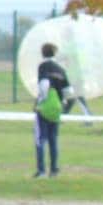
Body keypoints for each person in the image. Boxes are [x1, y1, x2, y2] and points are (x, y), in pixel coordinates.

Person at [35, 42, 68, 176]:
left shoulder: (43, 67)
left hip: (45, 107)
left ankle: (41, 170)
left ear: (43, 53)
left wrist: (41, 101)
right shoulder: (61, 69)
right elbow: (68, 90)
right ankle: (54, 169)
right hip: (56, 108)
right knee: (53, 139)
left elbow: (44, 84)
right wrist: (62, 102)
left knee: (41, 139)